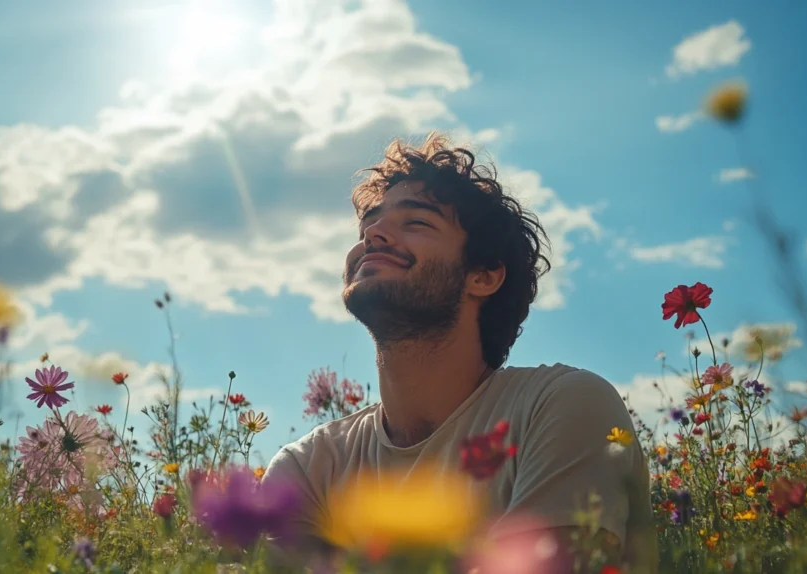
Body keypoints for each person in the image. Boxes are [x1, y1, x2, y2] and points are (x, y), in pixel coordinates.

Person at [263, 133, 657, 572]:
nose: (373, 233)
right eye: (369, 224)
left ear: (483, 277)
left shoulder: (563, 405)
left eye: (417, 222)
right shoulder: (306, 467)